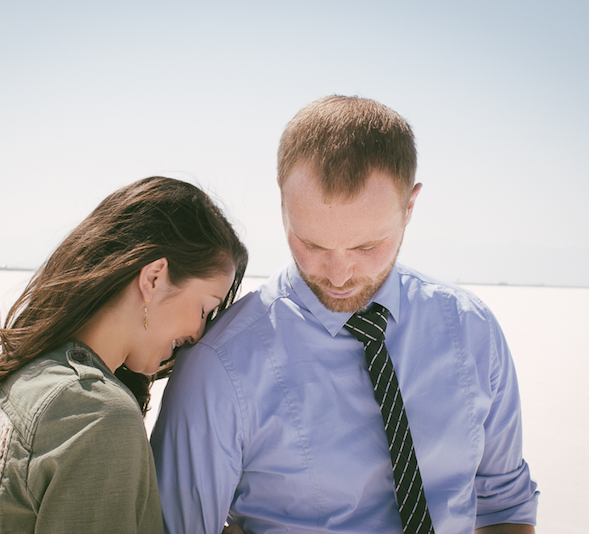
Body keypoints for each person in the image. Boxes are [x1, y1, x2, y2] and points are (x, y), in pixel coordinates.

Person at [151, 96, 539, 533]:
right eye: (312, 244)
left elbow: (504, 509)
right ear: (282, 205)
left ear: (410, 207)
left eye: (366, 247)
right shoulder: (219, 366)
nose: (338, 276)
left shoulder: (471, 329)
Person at [0, 176, 248, 534]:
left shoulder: (32, 377)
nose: (197, 334)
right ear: (154, 278)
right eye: (205, 309)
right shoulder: (95, 414)